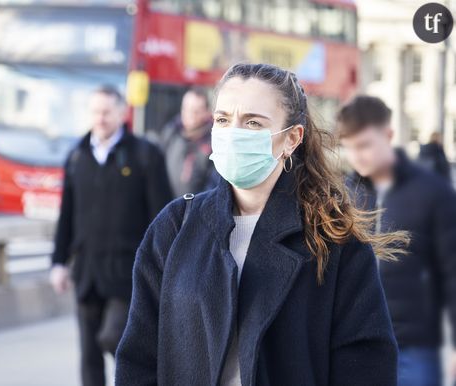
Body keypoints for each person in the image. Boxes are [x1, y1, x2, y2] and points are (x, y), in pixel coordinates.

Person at [115, 63, 406, 385]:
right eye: (223, 120)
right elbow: (139, 356)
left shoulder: (333, 239)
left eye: (252, 123)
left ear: (292, 139)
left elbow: (365, 364)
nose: (233, 134)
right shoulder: (175, 226)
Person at [49, 85, 172, 386]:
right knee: (89, 356)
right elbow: (66, 214)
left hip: (128, 272)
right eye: (95, 112)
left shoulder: (145, 155)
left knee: (115, 338)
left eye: (106, 112)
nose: (100, 118)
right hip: (87, 270)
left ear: (121, 113)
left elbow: (163, 214)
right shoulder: (77, 156)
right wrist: (59, 262)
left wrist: (163, 265)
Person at [338, 95, 456, 386]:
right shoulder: (343, 196)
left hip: (412, 347)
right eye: (349, 147)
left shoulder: (432, 192)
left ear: (388, 136)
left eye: (364, 145)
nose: (357, 156)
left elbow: (453, 271)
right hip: (355, 343)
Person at [157, 88, 218, 197]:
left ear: (207, 112)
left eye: (196, 111)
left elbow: (213, 185)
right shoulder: (171, 132)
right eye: (186, 109)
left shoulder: (214, 141)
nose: (190, 115)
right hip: (167, 205)